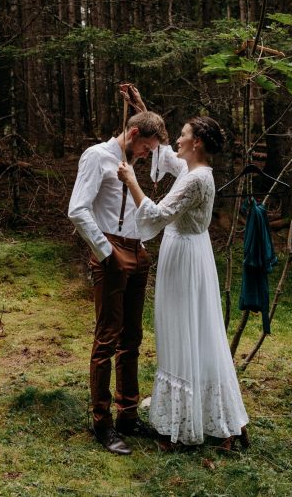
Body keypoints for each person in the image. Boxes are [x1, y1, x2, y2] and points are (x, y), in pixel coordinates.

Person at [117, 115, 250, 450]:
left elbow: (159, 216)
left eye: (183, 135)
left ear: (197, 143)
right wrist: (142, 110)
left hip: (186, 257)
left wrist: (132, 181)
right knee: (195, 331)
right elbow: (165, 154)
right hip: (190, 251)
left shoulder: (197, 180)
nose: (176, 139)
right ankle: (211, 418)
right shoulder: (194, 171)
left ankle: (184, 426)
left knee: (182, 330)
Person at [67, 100, 168, 455]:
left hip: (137, 250)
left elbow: (161, 156)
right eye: (145, 148)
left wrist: (141, 103)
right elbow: (77, 208)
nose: (146, 155)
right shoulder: (96, 156)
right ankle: (102, 422)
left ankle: (128, 414)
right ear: (134, 133)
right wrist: (105, 251)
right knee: (107, 338)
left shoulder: (131, 161)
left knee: (132, 338)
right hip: (111, 250)